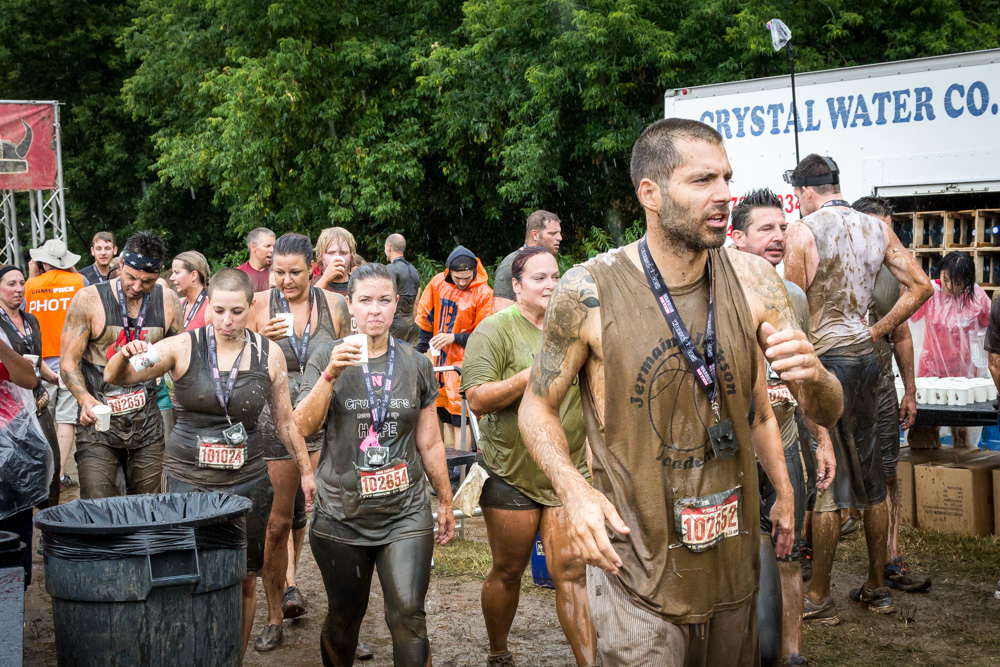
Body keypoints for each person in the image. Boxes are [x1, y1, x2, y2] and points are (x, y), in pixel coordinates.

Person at [518, 118, 844, 666]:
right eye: (702, 180)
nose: (724, 195)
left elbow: (818, 409)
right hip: (636, 569)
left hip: (732, 568)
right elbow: (537, 406)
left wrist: (815, 377)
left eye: (726, 178)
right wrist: (573, 490)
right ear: (650, 193)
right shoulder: (590, 289)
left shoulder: (756, 280)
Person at [103, 267, 316, 655]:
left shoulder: (269, 354)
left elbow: (286, 422)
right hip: (189, 480)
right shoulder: (181, 346)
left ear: (251, 308)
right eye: (219, 311)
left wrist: (306, 471)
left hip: (247, 481)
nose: (227, 320)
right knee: (188, 574)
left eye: (236, 311)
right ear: (208, 308)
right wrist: (123, 354)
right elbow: (117, 378)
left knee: (245, 578)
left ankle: (232, 658)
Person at [783, 154, 932, 623]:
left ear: (807, 192)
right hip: (867, 361)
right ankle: (876, 586)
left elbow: (791, 311)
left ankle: (819, 594)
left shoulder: (802, 231)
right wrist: (876, 330)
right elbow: (922, 286)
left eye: (798, 194)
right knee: (871, 479)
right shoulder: (876, 228)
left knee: (828, 477)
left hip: (825, 361)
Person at [294, 263, 455, 666]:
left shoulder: (416, 363)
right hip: (341, 513)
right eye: (365, 300)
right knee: (345, 616)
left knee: (409, 614)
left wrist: (446, 499)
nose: (375, 310)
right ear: (350, 305)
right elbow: (303, 425)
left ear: (397, 304)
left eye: (384, 300)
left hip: (405, 510)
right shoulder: (326, 355)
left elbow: (430, 440)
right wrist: (331, 373)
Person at [461, 247, 597, 667]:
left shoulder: (576, 327)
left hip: (567, 469)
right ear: (517, 286)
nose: (551, 285)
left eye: (555, 276)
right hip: (511, 472)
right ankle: (499, 651)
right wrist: (532, 373)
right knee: (508, 570)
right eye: (539, 278)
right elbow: (476, 399)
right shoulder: (494, 330)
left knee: (571, 572)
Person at [731, 189, 837, 666]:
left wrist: (823, 440)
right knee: (736, 554)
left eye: (782, 228)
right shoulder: (717, 292)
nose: (778, 237)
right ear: (737, 238)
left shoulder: (793, 295)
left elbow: (805, 378)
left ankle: (791, 653)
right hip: (736, 449)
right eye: (765, 229)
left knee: (788, 552)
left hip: (787, 439)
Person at [247, 233, 352, 652]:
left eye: (294, 272)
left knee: (335, 523)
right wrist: (259, 338)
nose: (286, 281)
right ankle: (274, 617)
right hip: (276, 424)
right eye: (278, 272)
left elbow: (349, 360)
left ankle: (344, 623)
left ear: (312, 269)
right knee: (276, 526)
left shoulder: (336, 306)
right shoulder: (259, 304)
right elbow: (238, 363)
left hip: (327, 421)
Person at [60, 232, 184, 498]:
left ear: (159, 273)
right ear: (121, 265)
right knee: (100, 509)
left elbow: (180, 355)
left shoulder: (168, 301)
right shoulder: (88, 299)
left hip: (147, 426)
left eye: (147, 281)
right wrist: (84, 399)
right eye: (131, 277)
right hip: (98, 425)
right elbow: (68, 363)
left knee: (150, 508)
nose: (137, 286)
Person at [851, 196, 929, 594]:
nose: (884, 239)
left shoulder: (894, 273)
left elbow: (901, 334)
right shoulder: (831, 261)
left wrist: (909, 391)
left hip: (881, 385)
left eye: (888, 230)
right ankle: (808, 549)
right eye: (876, 229)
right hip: (839, 383)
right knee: (825, 472)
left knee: (887, 471)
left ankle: (889, 558)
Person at [910, 251, 990, 449]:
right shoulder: (930, 292)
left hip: (963, 374)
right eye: (946, 280)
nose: (950, 287)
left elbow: (989, 325)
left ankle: (961, 464)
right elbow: (911, 316)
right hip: (931, 369)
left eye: (957, 283)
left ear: (967, 282)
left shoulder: (977, 296)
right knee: (926, 427)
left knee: (962, 430)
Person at [415, 245, 493, 449]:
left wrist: (454, 337)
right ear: (449, 272)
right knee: (444, 412)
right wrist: (419, 351)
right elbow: (425, 317)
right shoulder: (438, 283)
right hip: (440, 360)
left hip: (464, 363)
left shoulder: (483, 293)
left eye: (467, 278)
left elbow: (485, 334)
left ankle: (463, 462)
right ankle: (453, 459)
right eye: (457, 278)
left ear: (474, 271)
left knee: (462, 416)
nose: (462, 282)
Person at [24, 238, 84, 488]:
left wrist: (33, 274)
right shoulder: (78, 281)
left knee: (41, 419)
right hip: (73, 360)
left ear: (41, 262)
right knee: (67, 420)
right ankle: (57, 476)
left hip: (41, 363)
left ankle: (41, 474)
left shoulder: (30, 286)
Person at [0, 265, 61, 506]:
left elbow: (37, 358)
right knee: (18, 471)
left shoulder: (31, 319)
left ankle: (50, 520)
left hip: (38, 401)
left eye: (21, 283)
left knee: (51, 463)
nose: (18, 289)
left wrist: (52, 376)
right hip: (11, 411)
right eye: (11, 284)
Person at [493, 211, 562, 312]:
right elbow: (501, 313)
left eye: (559, 233)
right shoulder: (511, 265)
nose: (560, 238)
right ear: (535, 235)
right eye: (552, 233)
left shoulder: (549, 262)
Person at [384, 233, 421, 343]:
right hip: (411, 324)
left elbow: (384, 297)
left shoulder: (391, 268)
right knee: (406, 353)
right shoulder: (414, 270)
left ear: (389, 248)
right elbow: (416, 302)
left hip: (395, 324)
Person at [313, 227, 360, 297]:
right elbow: (309, 301)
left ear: (351, 256)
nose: (338, 258)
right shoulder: (310, 282)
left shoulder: (359, 284)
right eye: (331, 253)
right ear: (321, 256)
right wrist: (325, 279)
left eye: (343, 253)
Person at [171, 251, 212, 331]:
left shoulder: (210, 307)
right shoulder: (179, 303)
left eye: (176, 272)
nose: (171, 278)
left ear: (193, 275)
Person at [238, 227, 276, 293]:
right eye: (267, 246)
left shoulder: (279, 271)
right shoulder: (239, 274)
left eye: (274, 247)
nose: (272, 250)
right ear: (253, 247)